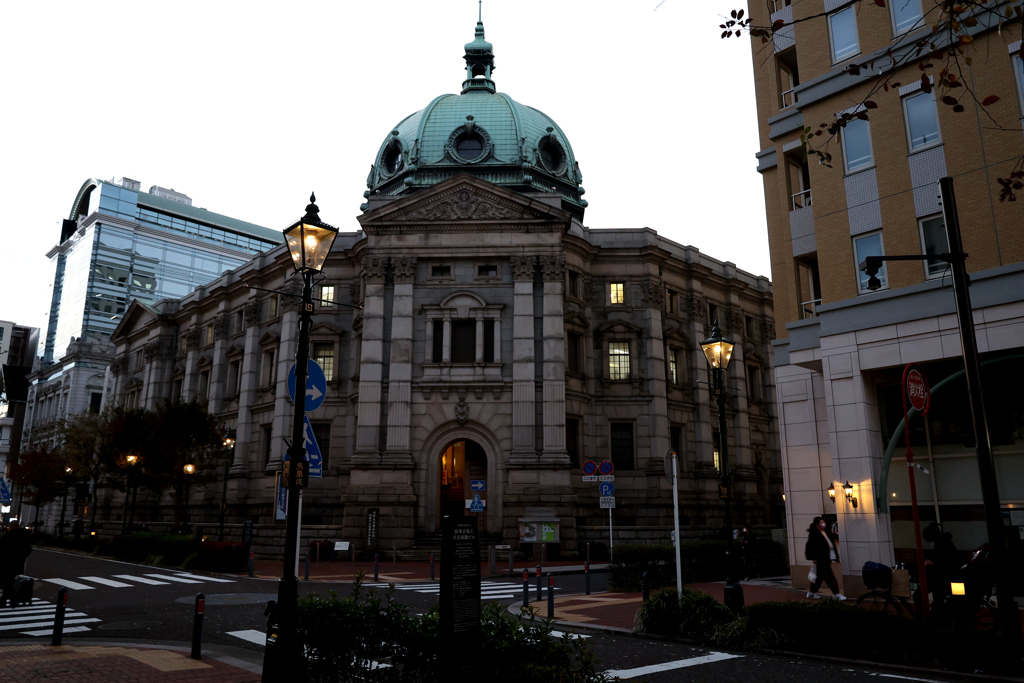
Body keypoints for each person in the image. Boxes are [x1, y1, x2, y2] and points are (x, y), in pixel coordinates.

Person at [804, 516, 846, 601]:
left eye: (824, 522)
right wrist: (814, 558)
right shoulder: (814, 533)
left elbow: (831, 544)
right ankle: (836, 594)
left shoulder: (825, 532)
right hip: (821, 559)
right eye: (821, 523)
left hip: (828, 557)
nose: (823, 524)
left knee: (819, 577)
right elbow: (811, 547)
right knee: (830, 577)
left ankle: (811, 593)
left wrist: (836, 557)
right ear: (817, 524)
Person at [922, 522, 958, 603]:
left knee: (936, 598)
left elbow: (944, 563)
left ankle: (928, 614)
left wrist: (932, 564)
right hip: (949, 577)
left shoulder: (940, 544)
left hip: (943, 578)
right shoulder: (945, 542)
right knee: (939, 599)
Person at [0, 522, 33, 607]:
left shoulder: (8, 536)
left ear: (10, 527)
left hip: (7, 563)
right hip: (19, 562)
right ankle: (14, 600)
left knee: (6, 582)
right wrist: (22, 556)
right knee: (16, 582)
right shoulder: (24, 536)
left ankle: (5, 600)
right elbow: (28, 549)